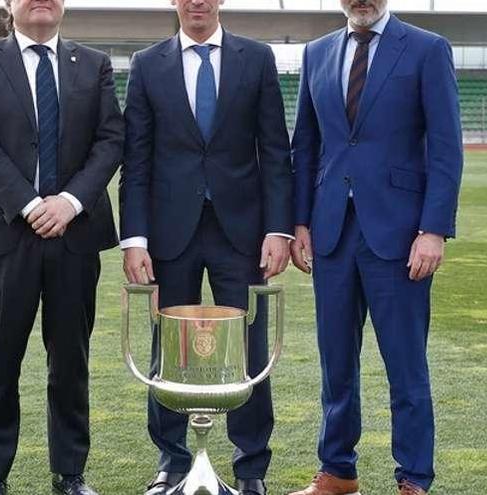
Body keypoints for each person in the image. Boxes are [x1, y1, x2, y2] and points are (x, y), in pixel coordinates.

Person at [287, 0, 463, 494]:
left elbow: (447, 145)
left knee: (405, 366)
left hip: (401, 235)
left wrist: (434, 229)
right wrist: (299, 220)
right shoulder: (316, 53)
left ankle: (414, 479)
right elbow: (306, 143)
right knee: (335, 364)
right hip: (331, 233)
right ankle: (338, 472)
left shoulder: (428, 49)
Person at [119, 1, 293, 494]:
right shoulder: (148, 64)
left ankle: (251, 468)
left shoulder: (256, 59)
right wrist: (135, 239)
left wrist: (278, 228)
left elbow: (276, 150)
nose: (197, 1)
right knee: (166, 350)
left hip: (243, 233)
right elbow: (136, 159)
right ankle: (171, 462)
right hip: (170, 233)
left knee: (249, 351)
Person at [0, 0, 124, 493]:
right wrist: (31, 205)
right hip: (4, 236)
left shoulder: (94, 64)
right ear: (9, 4)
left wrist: (69, 203)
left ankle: (70, 474)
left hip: (75, 235)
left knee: (71, 360)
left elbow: (111, 139)